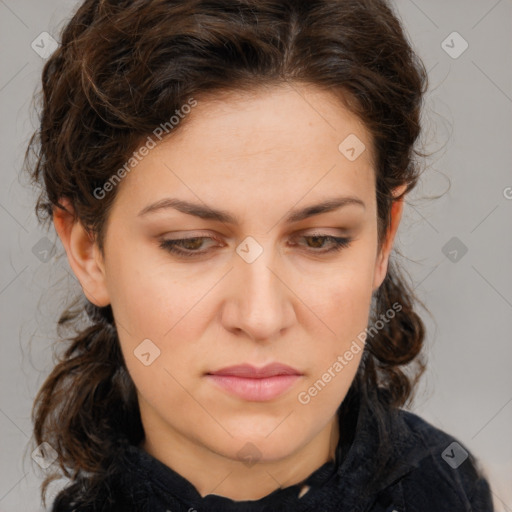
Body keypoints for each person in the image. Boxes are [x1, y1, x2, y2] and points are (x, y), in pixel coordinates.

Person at [24, 0, 494, 510]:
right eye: (190, 243)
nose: (261, 316)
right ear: (88, 251)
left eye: (320, 240)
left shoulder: (451, 489)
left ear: (384, 238)